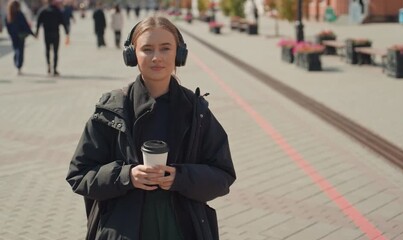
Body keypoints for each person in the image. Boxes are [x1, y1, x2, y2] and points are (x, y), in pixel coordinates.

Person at [66, 16, 236, 240]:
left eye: (165, 48)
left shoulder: (196, 112)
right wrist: (126, 176)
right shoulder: (112, 110)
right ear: (132, 55)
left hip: (181, 230)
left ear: (179, 53)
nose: (157, 57)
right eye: (147, 49)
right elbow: (79, 175)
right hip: (122, 229)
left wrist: (180, 177)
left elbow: (222, 177)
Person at [35, 0, 70, 76]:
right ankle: (54, 69)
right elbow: (63, 22)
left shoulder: (43, 11)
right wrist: (67, 33)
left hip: (47, 34)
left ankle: (48, 66)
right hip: (55, 34)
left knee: (47, 50)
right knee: (55, 52)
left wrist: (37, 33)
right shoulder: (57, 11)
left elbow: (38, 22)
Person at [5, 0, 35, 75]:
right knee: (20, 51)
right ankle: (19, 66)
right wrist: (32, 34)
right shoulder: (19, 14)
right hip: (20, 36)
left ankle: (16, 63)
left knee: (15, 50)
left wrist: (10, 34)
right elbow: (25, 25)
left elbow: (7, 26)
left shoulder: (8, 15)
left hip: (13, 36)